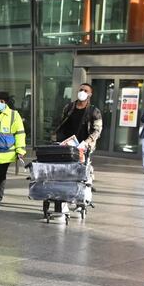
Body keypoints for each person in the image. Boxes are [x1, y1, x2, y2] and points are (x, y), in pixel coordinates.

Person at [51, 82, 103, 211]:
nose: (82, 92)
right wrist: (56, 138)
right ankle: (65, 199)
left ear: (90, 94)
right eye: (81, 90)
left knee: (80, 173)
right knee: (65, 173)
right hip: (68, 144)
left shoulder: (94, 110)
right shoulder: (69, 107)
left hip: (84, 146)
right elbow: (61, 123)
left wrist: (87, 142)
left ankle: (81, 198)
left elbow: (97, 130)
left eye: (86, 90)